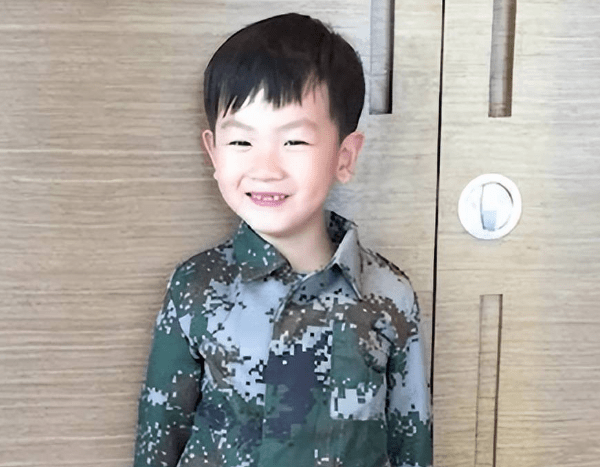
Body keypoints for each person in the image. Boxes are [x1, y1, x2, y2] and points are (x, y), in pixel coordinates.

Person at [133, 12, 432, 467]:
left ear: (344, 156)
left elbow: (412, 441)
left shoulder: (389, 294)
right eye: (241, 143)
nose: (266, 168)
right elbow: (160, 433)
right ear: (213, 152)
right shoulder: (195, 286)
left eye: (294, 142)